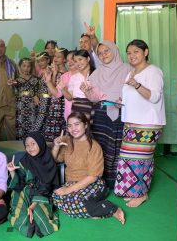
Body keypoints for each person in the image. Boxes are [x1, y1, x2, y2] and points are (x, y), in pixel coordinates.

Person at [114, 39, 166, 207]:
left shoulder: (153, 72)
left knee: (141, 159)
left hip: (148, 124)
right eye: (129, 53)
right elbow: (132, 97)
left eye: (136, 51)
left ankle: (141, 194)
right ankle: (133, 191)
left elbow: (154, 96)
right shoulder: (131, 73)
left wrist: (136, 85)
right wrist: (120, 101)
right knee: (130, 158)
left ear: (146, 52)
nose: (132, 55)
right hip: (132, 122)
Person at [51, 112, 125, 224]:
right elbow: (54, 161)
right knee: (55, 197)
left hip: (93, 184)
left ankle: (112, 208)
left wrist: (67, 190)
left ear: (85, 125)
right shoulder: (66, 141)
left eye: (77, 124)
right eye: (69, 126)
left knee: (76, 201)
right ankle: (94, 211)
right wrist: (56, 146)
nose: (73, 129)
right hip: (72, 183)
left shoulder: (94, 146)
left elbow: (92, 177)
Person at [83, 41, 132, 187]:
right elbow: (94, 98)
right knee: (101, 145)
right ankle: (101, 179)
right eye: (100, 53)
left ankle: (120, 180)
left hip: (122, 112)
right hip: (101, 114)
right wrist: (87, 91)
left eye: (107, 51)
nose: (103, 55)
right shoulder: (97, 73)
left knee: (120, 145)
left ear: (115, 51)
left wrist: (123, 99)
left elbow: (134, 91)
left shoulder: (128, 69)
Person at [7, 131, 59, 237]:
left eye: (33, 143)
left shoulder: (48, 161)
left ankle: (37, 224)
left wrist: (33, 205)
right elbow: (18, 184)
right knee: (20, 204)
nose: (30, 148)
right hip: (26, 191)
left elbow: (46, 186)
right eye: (27, 145)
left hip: (42, 195)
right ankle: (27, 227)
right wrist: (12, 171)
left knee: (38, 213)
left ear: (40, 143)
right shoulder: (24, 160)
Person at [0, 39, 18, 141]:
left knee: (13, 132)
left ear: (5, 48)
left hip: (11, 104)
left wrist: (16, 82)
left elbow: (19, 80)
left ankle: (15, 155)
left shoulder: (12, 64)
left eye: (1, 46)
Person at [41, 48, 68, 142]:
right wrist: (54, 74)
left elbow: (63, 93)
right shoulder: (51, 72)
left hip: (64, 106)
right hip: (53, 107)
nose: (56, 58)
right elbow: (50, 93)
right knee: (50, 136)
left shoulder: (68, 74)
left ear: (65, 60)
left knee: (62, 134)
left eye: (59, 56)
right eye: (55, 56)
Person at [8, 58, 38, 140]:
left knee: (33, 123)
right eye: (24, 66)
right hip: (21, 105)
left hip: (32, 105)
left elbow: (37, 92)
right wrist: (11, 84)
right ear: (20, 67)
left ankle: (32, 141)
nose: (26, 68)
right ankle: (20, 143)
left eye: (28, 66)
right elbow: (12, 88)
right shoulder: (16, 79)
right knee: (20, 123)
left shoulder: (35, 79)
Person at [69, 49, 95, 121]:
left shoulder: (96, 74)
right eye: (75, 61)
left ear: (88, 59)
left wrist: (88, 92)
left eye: (80, 59)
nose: (78, 63)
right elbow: (70, 97)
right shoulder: (74, 77)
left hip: (91, 109)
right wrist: (62, 88)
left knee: (89, 130)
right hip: (76, 109)